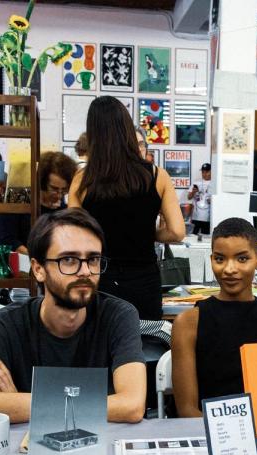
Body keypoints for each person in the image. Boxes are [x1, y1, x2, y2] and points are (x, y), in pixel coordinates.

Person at [0, 209, 147, 424]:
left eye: (93, 259)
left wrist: (20, 402)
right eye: (69, 260)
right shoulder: (4, 325)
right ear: (38, 269)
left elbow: (131, 406)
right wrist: (100, 406)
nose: (85, 271)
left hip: (103, 450)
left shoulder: (118, 315)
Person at [69, 97, 185, 320]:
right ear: (127, 129)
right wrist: (146, 233)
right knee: (144, 346)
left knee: (100, 346)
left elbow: (73, 237)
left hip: (98, 279)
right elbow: (177, 232)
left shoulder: (82, 180)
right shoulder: (157, 175)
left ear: (93, 133)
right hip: (144, 280)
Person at [171, 218, 257, 416]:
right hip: (208, 435)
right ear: (211, 259)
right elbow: (187, 410)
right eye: (220, 259)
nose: (230, 269)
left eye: (242, 259)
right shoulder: (188, 323)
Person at [0, 151, 77, 254]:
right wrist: (36, 258)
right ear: (41, 183)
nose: (59, 195)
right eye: (54, 188)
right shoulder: (18, 199)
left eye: (64, 190)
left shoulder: (64, 206)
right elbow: (8, 239)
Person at [188, 163, 212, 235]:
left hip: (208, 217)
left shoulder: (214, 183)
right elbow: (189, 197)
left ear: (211, 171)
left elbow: (218, 201)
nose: (204, 174)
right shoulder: (196, 182)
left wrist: (212, 201)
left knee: (206, 238)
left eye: (207, 172)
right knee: (193, 237)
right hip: (196, 217)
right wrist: (193, 192)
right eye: (203, 172)